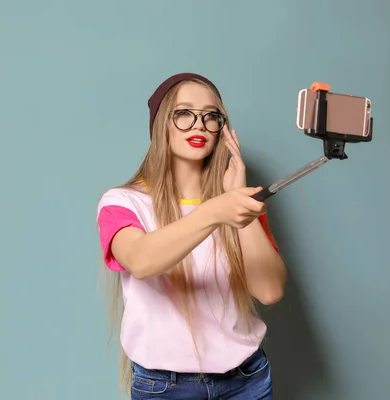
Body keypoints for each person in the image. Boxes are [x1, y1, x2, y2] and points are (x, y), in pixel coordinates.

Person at [96, 72, 287, 399]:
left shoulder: (236, 204)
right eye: (184, 113)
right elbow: (141, 261)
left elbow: (269, 290)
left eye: (210, 116)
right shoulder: (122, 202)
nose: (199, 125)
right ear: (161, 125)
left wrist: (238, 199)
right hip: (165, 387)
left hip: (247, 380)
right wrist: (215, 211)